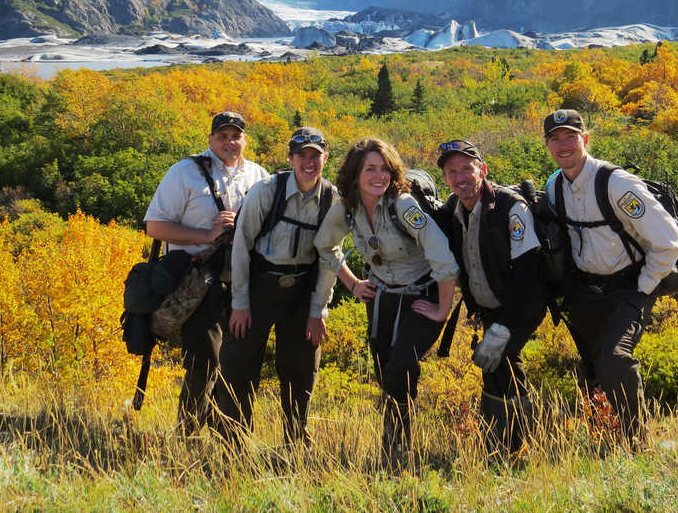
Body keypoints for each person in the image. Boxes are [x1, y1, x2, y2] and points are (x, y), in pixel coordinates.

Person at [314, 138, 458, 468]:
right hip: (382, 296)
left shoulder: (403, 205)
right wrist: (352, 283)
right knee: (385, 373)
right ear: (355, 174)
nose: (379, 176)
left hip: (423, 293)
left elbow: (443, 258)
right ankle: (397, 445)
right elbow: (324, 246)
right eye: (370, 169)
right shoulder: (346, 208)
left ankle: (393, 453)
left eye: (385, 169)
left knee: (401, 366)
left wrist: (442, 310)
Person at [543, 109, 678, 446]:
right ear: (546, 145)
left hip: (629, 286)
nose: (563, 145)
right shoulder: (553, 186)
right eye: (555, 139)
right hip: (586, 290)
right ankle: (603, 434)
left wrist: (644, 287)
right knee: (591, 366)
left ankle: (636, 443)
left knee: (614, 361)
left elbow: (668, 240)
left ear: (585, 140)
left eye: (570, 137)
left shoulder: (616, 184)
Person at [215, 127, 344, 447]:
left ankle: (296, 441)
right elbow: (241, 247)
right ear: (291, 158)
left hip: (302, 289)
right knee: (238, 363)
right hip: (259, 284)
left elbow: (330, 258)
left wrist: (318, 311)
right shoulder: (266, 192)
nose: (309, 162)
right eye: (302, 155)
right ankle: (229, 443)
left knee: (302, 367)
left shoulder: (332, 199)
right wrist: (240, 303)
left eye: (316, 155)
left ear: (325, 158)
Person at [144, 111, 269, 435]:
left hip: (242, 283)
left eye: (236, 135)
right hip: (197, 282)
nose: (229, 141)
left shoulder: (258, 176)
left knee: (236, 366)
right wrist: (207, 236)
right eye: (222, 135)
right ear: (210, 139)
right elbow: (155, 226)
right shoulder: (185, 172)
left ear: (245, 139)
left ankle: (228, 439)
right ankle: (187, 436)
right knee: (204, 361)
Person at [436, 139, 546, 456]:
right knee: (498, 368)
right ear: (445, 178)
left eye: (467, 169)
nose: (460, 177)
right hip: (490, 310)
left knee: (500, 361)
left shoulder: (511, 208)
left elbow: (531, 276)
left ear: (482, 170)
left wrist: (507, 327)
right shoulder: (452, 211)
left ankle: (509, 446)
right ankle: (508, 445)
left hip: (522, 305)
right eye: (451, 171)